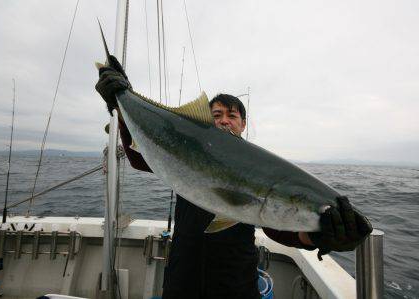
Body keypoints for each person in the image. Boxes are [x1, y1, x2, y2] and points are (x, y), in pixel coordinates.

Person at [96, 56, 373, 299]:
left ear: (243, 125)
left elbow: (280, 227)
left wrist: (322, 235)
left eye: (232, 115)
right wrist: (121, 102)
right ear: (205, 120)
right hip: (182, 277)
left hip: (235, 282)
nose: (224, 120)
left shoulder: (261, 168)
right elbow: (138, 157)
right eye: (216, 114)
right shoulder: (182, 154)